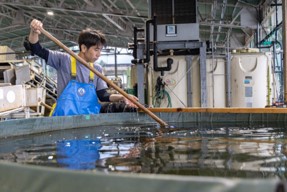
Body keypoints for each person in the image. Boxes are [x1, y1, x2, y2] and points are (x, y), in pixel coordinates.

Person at [27, 19, 138, 116]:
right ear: (84, 48)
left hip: (89, 120)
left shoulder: (97, 69)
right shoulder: (64, 60)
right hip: (65, 121)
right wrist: (34, 31)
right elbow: (37, 49)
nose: (99, 54)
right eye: (96, 50)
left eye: (100, 50)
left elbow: (103, 95)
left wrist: (123, 97)